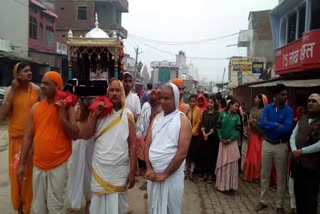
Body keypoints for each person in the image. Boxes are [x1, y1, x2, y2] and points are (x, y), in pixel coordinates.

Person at [17, 71, 79, 214]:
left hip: (59, 164)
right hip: (38, 165)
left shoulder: (68, 107)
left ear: (57, 87)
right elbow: (28, 137)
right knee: (38, 208)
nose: (42, 86)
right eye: (42, 82)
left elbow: (75, 134)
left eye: (46, 83)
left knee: (55, 207)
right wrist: (21, 163)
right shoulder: (36, 108)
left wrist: (62, 117)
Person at [81, 78, 136, 214]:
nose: (114, 93)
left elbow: (133, 144)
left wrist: (133, 171)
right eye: (111, 90)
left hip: (119, 170)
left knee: (118, 206)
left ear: (122, 93)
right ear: (107, 92)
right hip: (100, 167)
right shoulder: (98, 112)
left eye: (118, 90)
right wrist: (95, 115)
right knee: (97, 205)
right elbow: (87, 135)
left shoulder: (127, 115)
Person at [145, 83, 192, 214]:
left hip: (172, 178)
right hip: (153, 177)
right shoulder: (156, 118)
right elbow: (147, 144)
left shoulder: (182, 121)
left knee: (171, 210)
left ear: (175, 99)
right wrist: (149, 168)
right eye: (162, 98)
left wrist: (165, 174)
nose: (163, 102)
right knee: (153, 209)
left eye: (167, 98)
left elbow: (182, 153)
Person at [0, 62, 40, 214]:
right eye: (25, 71)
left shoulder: (36, 90)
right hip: (15, 142)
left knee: (30, 179)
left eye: (30, 70)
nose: (30, 73)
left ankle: (30, 208)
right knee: (17, 177)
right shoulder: (10, 91)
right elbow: (2, 115)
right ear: (17, 75)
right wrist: (12, 92)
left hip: (32, 142)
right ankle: (19, 208)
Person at [255, 84, 293, 214]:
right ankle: (263, 201)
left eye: (286, 94)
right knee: (264, 174)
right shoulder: (267, 109)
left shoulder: (288, 111)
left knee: (281, 176)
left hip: (281, 146)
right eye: (283, 94)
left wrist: (270, 125)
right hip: (267, 143)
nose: (285, 96)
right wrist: (277, 124)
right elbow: (261, 123)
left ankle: (279, 205)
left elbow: (287, 128)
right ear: (275, 96)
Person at [290, 93, 320, 214]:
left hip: (312, 167)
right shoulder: (303, 118)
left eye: (314, 101)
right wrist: (293, 150)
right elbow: (293, 136)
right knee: (299, 197)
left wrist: (302, 151)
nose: (310, 103)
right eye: (309, 101)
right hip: (298, 165)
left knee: (310, 198)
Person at [68, 99, 94, 214]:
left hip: (91, 144)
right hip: (77, 145)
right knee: (75, 173)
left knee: (89, 175)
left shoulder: (94, 108)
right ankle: (74, 203)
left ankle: (89, 201)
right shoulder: (75, 107)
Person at [215, 98, 241, 192]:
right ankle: (221, 186)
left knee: (230, 163)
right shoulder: (222, 114)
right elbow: (218, 126)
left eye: (238, 107)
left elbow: (237, 130)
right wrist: (220, 137)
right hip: (222, 143)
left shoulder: (237, 117)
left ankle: (230, 186)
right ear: (231, 105)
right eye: (236, 106)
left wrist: (231, 139)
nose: (237, 108)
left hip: (231, 143)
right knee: (222, 163)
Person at [136, 89, 162, 176]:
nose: (153, 97)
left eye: (155, 96)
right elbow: (142, 119)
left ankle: (147, 169)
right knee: (141, 151)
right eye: (152, 96)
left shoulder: (159, 107)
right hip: (144, 132)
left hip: (153, 132)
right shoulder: (147, 106)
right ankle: (141, 169)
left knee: (147, 151)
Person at [242, 94, 268, 182]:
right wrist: (253, 121)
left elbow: (263, 122)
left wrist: (255, 121)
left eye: (256, 97)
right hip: (252, 134)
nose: (254, 99)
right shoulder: (253, 109)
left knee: (257, 156)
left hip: (260, 135)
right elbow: (250, 120)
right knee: (250, 155)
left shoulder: (264, 110)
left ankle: (256, 176)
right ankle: (249, 174)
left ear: (260, 100)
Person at [200, 96, 220, 184]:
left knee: (212, 156)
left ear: (214, 104)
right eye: (209, 102)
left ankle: (210, 174)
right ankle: (204, 173)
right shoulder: (204, 112)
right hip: (204, 138)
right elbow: (202, 123)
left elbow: (216, 126)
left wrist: (208, 134)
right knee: (204, 155)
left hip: (212, 139)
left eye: (211, 102)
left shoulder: (217, 114)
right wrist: (204, 133)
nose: (210, 104)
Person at [186, 94, 201, 181]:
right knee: (186, 155)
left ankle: (191, 172)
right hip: (186, 135)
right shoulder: (186, 109)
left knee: (193, 155)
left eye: (194, 101)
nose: (192, 103)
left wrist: (193, 131)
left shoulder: (198, 110)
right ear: (189, 101)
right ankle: (184, 172)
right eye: (191, 101)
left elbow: (198, 122)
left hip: (194, 136)